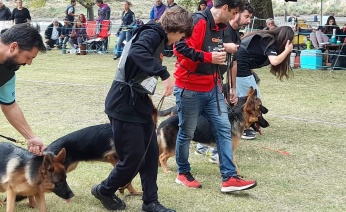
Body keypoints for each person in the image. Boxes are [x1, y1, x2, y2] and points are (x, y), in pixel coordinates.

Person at [91, 6, 193, 212]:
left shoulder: (156, 35)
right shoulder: (152, 33)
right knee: (133, 157)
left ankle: (150, 202)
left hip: (139, 102)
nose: (179, 40)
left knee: (150, 152)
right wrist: (164, 74)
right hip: (123, 103)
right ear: (176, 28)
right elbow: (138, 51)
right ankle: (104, 189)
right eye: (181, 35)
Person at [173, 0, 257, 192]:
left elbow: (210, 46)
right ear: (225, 8)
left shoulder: (221, 26)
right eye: (234, 13)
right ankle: (183, 173)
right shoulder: (199, 21)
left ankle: (229, 177)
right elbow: (180, 49)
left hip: (213, 88)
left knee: (224, 128)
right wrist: (209, 57)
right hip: (190, 88)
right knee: (186, 132)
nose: (234, 18)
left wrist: (224, 48)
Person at [195, 0, 254, 158]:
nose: (248, 20)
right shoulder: (219, 27)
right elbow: (200, 49)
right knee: (212, 117)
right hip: (203, 79)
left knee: (219, 117)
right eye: (245, 16)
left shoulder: (235, 34)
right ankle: (209, 150)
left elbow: (233, 62)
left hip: (218, 79)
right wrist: (224, 47)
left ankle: (210, 151)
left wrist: (232, 88)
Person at [0, 23, 46, 156]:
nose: (29, 63)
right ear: (13, 47)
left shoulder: (7, 73)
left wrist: (31, 137)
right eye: (28, 57)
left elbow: (10, 106)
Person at [235, 26, 294, 106]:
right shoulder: (268, 40)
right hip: (240, 67)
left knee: (246, 97)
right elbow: (275, 61)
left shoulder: (267, 39)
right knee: (254, 100)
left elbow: (251, 51)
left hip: (242, 66)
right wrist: (287, 50)